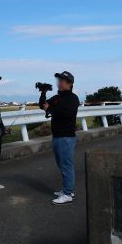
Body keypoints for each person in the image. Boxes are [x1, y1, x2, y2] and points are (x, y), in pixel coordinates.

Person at [39, 71, 80, 205]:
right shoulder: (57, 97)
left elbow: (65, 113)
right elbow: (43, 105)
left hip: (66, 137)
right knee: (61, 164)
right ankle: (67, 189)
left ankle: (68, 194)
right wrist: (43, 92)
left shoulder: (73, 98)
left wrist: (50, 109)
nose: (59, 82)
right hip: (57, 135)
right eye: (59, 80)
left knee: (66, 165)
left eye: (62, 80)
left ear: (69, 84)